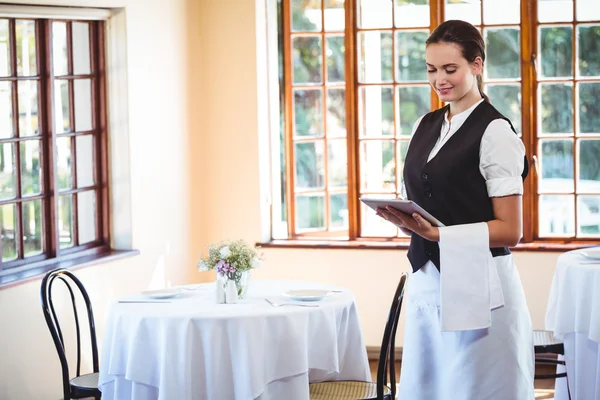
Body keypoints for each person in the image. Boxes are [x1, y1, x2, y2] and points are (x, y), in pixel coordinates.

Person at [376, 20, 535, 399]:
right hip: (427, 283)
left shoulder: (495, 132)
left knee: (475, 389)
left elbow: (511, 230)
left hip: (481, 286)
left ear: (476, 65)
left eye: (451, 69)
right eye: (432, 70)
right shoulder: (425, 125)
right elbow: (430, 203)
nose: (439, 80)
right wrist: (405, 220)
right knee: (427, 388)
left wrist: (438, 234)